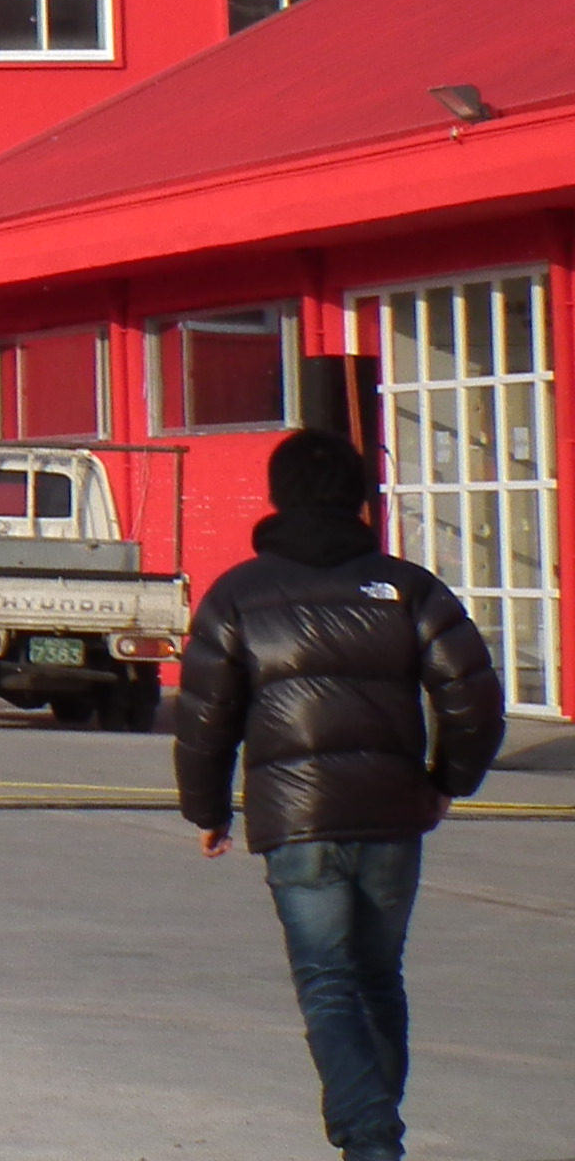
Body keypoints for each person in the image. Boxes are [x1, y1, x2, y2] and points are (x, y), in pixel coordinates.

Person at [172, 427, 503, 1161]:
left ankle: (370, 1138)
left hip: (296, 824)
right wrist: (448, 783)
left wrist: (208, 809)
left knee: (327, 982)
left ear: (279, 496)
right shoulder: (407, 587)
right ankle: (372, 1128)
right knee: (379, 976)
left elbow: (205, 715)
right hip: (393, 819)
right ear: (358, 497)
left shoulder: (239, 594)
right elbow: (473, 696)